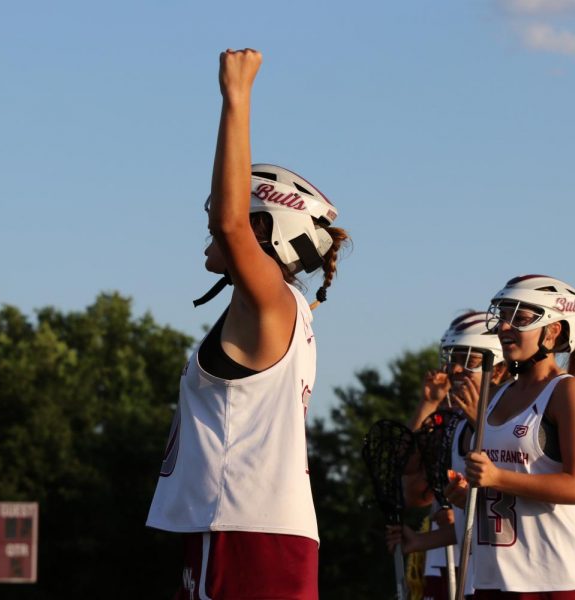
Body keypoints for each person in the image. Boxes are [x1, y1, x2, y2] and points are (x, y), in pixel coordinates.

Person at [146, 49, 349, 600]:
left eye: (225, 217)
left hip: (244, 526)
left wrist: (236, 96)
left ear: (265, 229)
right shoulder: (278, 308)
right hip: (248, 526)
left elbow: (232, 224)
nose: (212, 230)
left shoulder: (274, 302)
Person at [464, 274, 575, 598]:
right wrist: (463, 493)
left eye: (519, 317)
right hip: (496, 577)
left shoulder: (567, 391)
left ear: (553, 330)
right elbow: (504, 491)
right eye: (503, 315)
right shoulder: (499, 395)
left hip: (555, 579)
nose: (504, 326)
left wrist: (495, 476)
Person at [398, 311, 509, 599]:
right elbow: (409, 473)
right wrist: (429, 403)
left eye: (468, 360)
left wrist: (477, 420)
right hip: (453, 561)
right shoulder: (451, 419)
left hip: (505, 564)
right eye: (453, 359)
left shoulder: (513, 418)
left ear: (497, 369)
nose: (455, 370)